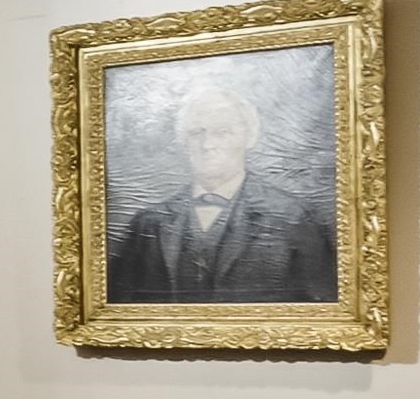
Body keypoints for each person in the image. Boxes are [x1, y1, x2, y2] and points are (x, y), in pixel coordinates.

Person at [106, 84, 335, 305]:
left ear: (249, 137)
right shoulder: (148, 225)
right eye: (197, 133)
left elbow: (323, 310)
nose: (207, 145)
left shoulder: (293, 218)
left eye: (222, 132)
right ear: (184, 142)